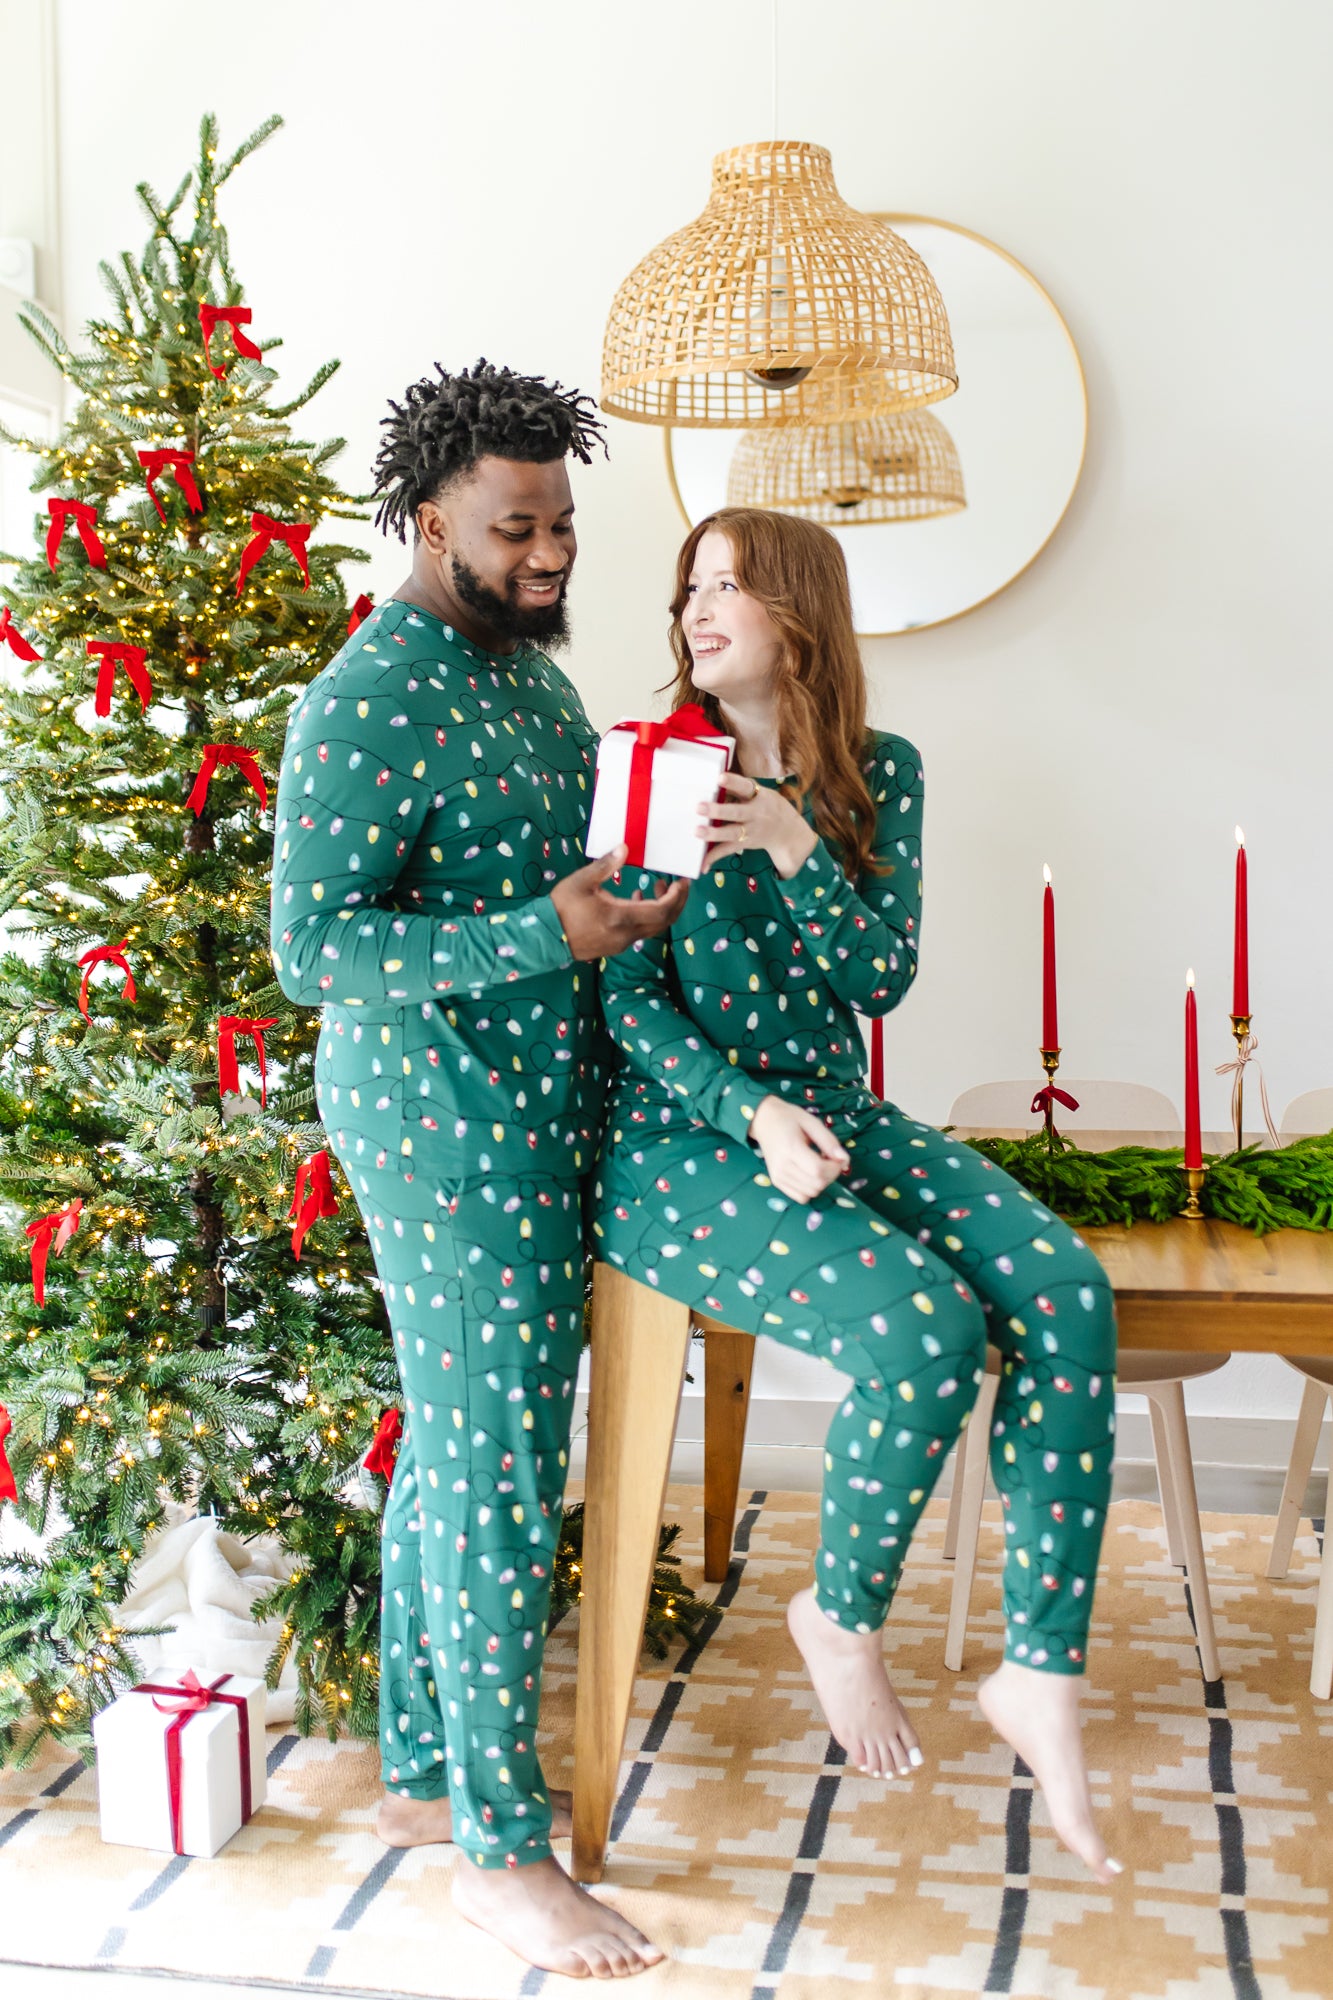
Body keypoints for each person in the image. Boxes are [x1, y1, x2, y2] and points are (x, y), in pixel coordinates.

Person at [591, 506, 1122, 1882]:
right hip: (677, 1140)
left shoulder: (878, 771)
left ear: (798, 614)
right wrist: (746, 1113)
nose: (698, 611)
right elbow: (626, 1000)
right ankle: (839, 1618)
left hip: (839, 1114)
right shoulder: (651, 767)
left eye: (730, 588)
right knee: (922, 1331)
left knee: (1065, 1289)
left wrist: (788, 842)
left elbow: (876, 977)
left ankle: (1039, 1677)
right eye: (688, 588)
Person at [270, 361, 685, 1980]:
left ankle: (431, 1780)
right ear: (427, 518)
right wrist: (545, 931)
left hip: (537, 1108)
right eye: (518, 529)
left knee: (460, 1456)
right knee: (503, 1470)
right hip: (445, 1132)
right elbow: (314, 949)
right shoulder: (366, 695)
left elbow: (545, 869)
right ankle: (505, 1862)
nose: (553, 553)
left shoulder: (515, 672)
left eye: (564, 523)